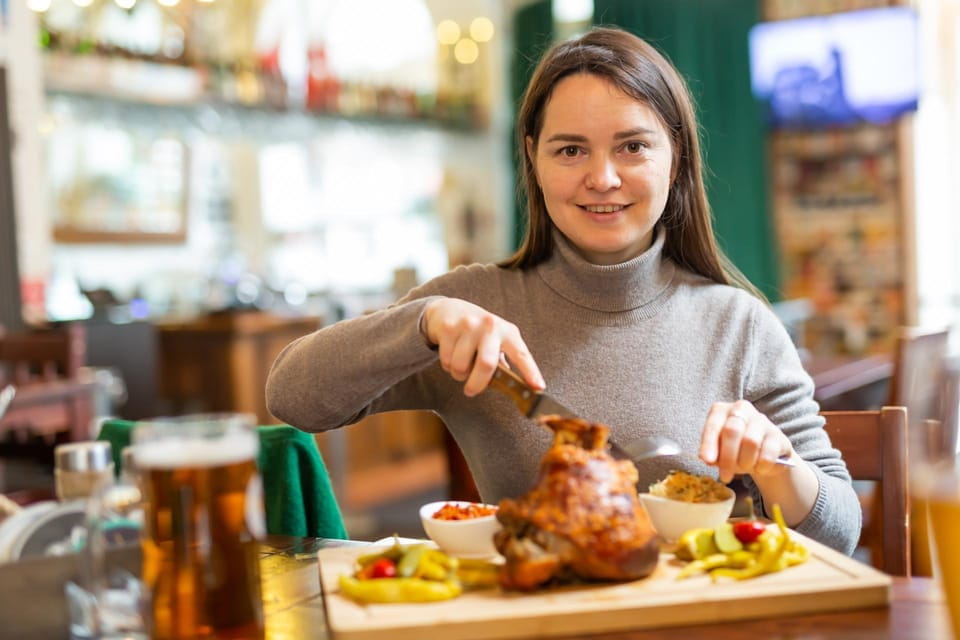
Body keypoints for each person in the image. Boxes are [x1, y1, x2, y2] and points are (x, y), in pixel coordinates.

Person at [266, 27, 860, 554]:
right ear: (533, 158)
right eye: (571, 150)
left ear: (675, 158)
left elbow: (841, 532)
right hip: (536, 615)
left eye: (633, 146)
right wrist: (422, 322)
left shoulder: (739, 324)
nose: (602, 178)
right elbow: (292, 398)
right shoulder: (472, 312)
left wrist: (778, 465)